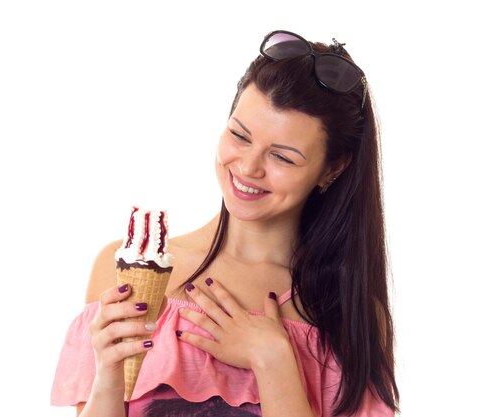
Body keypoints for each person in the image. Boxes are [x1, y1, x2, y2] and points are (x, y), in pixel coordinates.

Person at [51, 30, 399, 417]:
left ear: (331, 168)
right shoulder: (122, 271)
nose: (249, 167)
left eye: (282, 157)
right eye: (239, 135)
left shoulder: (349, 315)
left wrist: (274, 362)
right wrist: (108, 378)